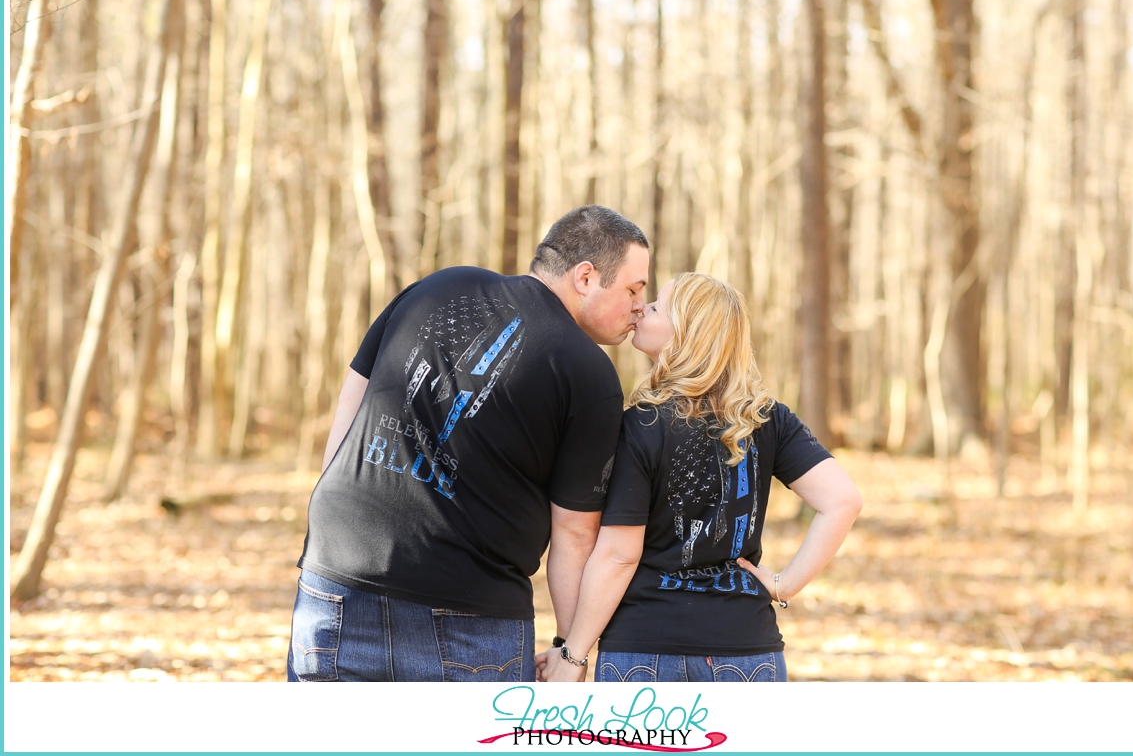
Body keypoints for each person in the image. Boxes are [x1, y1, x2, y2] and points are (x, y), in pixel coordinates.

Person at [287, 206, 649, 682]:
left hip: (334, 577)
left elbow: (354, 395)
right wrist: (570, 650)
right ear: (585, 277)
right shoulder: (589, 372)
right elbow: (575, 533)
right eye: (633, 289)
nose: (640, 306)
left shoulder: (439, 285)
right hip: (468, 616)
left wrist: (331, 508)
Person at [540, 271, 861, 684]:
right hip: (748, 651)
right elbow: (843, 500)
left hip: (647, 651)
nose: (641, 308)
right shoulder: (766, 418)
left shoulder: (640, 424)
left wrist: (573, 654)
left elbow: (619, 555)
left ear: (685, 334)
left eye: (655, 306)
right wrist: (783, 585)